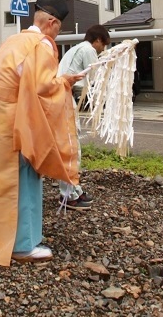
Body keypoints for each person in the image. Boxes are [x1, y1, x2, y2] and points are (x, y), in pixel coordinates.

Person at [0, 0, 86, 265]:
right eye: (58, 29)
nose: (56, 35)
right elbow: (42, 88)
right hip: (16, 119)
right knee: (25, 176)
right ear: (51, 22)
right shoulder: (40, 44)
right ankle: (23, 244)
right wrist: (65, 82)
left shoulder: (14, 40)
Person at [56, 24, 110, 210]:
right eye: (104, 44)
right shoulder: (88, 50)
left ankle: (74, 189)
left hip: (62, 95)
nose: (103, 48)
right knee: (71, 147)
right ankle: (68, 195)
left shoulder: (76, 49)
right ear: (97, 40)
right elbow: (93, 80)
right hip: (63, 97)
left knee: (70, 145)